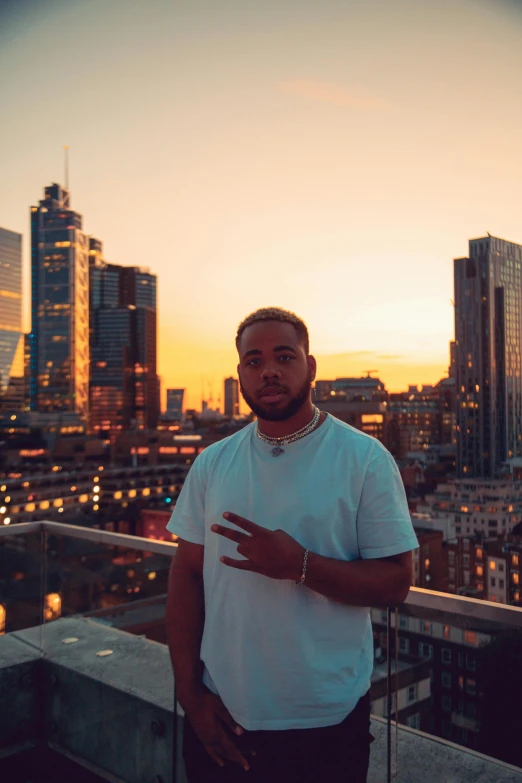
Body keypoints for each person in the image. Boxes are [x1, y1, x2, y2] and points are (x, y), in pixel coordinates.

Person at [165, 306, 418, 783]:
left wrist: (299, 565)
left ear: (311, 366)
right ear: (240, 374)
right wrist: (190, 695)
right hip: (222, 713)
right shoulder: (212, 462)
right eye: (254, 361)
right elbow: (187, 574)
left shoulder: (364, 459)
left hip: (326, 723)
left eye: (284, 356)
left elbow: (396, 583)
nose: (270, 371)